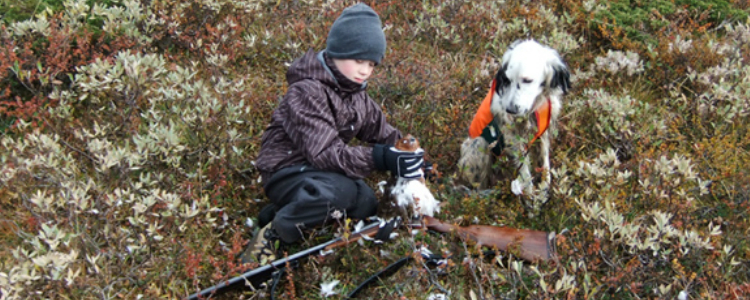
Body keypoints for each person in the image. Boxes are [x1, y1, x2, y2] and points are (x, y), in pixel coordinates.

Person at [240, 3, 424, 265]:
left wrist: (409, 155)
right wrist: (381, 158)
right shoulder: (306, 92)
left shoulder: (356, 94)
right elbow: (325, 154)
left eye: (372, 63)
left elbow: (382, 132)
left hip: (318, 172)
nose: (365, 70)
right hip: (285, 171)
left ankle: (282, 212)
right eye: (358, 60)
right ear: (338, 52)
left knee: (365, 202)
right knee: (341, 194)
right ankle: (272, 235)